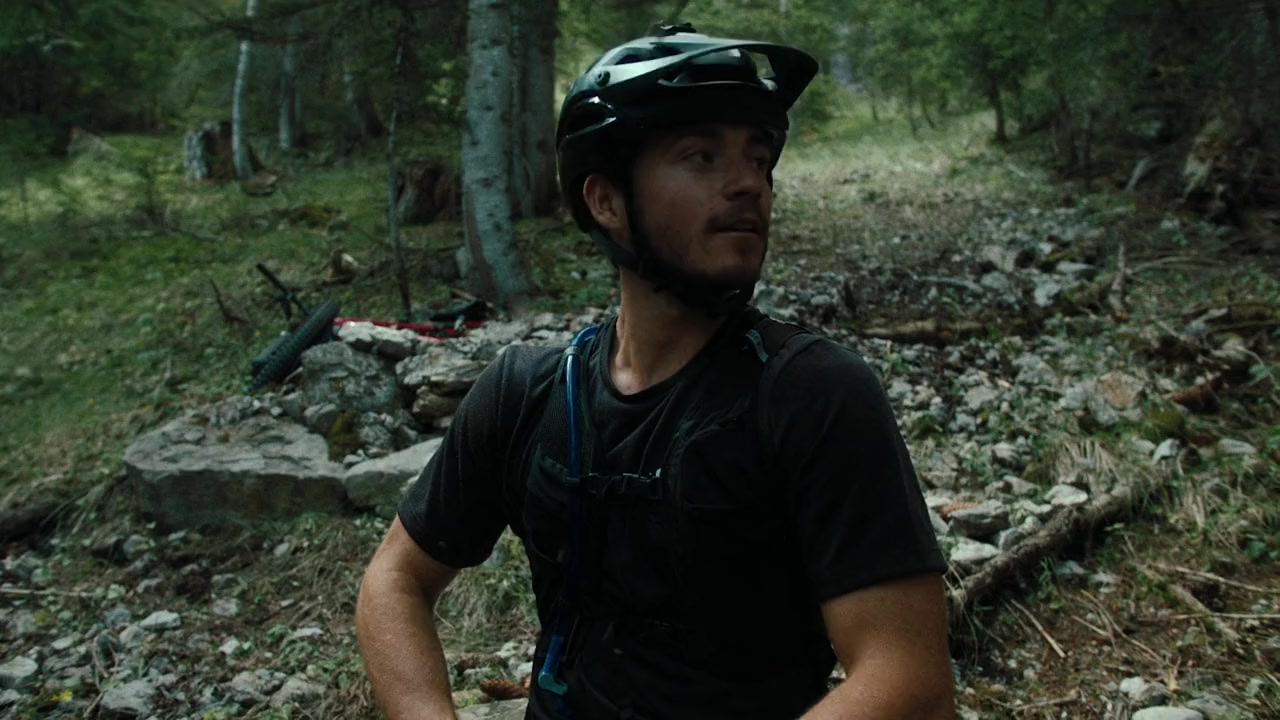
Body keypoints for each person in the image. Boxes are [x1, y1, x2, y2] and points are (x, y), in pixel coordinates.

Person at [356, 24, 955, 720]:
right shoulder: (527, 392)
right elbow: (395, 578)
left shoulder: (812, 395)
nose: (748, 184)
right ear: (606, 201)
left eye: (758, 158)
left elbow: (909, 681)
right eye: (701, 156)